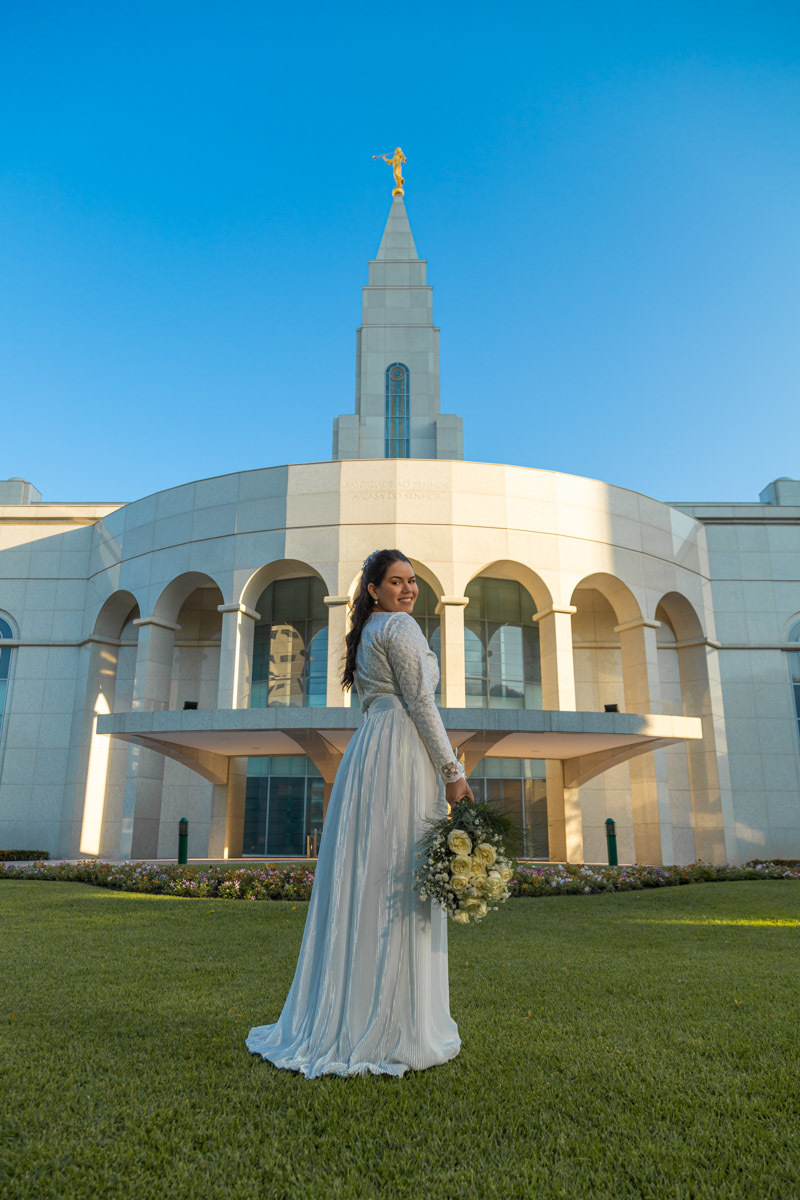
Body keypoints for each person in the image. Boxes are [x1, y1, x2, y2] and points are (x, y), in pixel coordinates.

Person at [246, 549, 474, 1078]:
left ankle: (349, 1010)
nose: (409, 589)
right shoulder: (398, 626)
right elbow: (421, 703)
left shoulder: (370, 630)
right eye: (396, 581)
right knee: (397, 876)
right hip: (399, 755)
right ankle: (393, 1023)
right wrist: (453, 772)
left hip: (371, 752)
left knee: (368, 878)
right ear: (373, 588)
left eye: (413, 581)